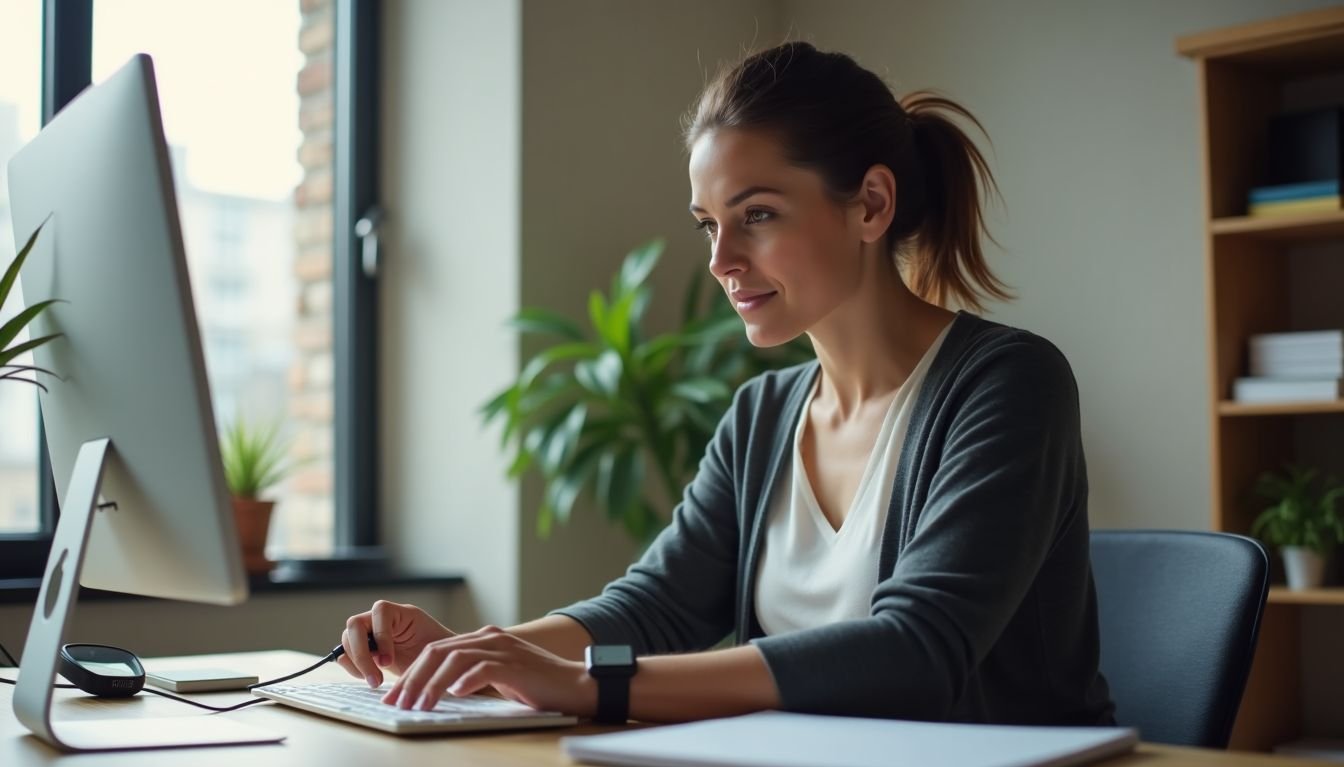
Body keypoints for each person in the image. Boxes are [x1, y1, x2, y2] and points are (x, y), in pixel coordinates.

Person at [337, 41, 1115, 727]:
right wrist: (473, 653)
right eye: (710, 224)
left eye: (759, 215)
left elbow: (915, 653)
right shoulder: (763, 415)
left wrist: (586, 686)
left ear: (871, 205)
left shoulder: (1008, 384)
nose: (721, 260)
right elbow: (653, 607)